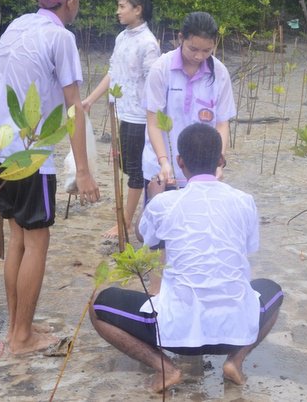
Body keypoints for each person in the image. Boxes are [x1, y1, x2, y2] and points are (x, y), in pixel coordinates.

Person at [90, 123, 283, 393]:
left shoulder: (166, 203)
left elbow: (145, 239)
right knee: (273, 291)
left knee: (99, 307)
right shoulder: (244, 200)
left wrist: (153, 198)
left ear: (180, 163)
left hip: (176, 333)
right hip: (236, 329)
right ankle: (235, 361)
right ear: (220, 160)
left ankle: (166, 367)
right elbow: (249, 247)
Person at [0, 0, 100, 354]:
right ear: (70, 0)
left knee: (19, 236)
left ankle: (20, 326)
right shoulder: (59, 37)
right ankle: (21, 337)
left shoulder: (18, 25)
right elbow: (73, 108)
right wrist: (83, 171)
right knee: (36, 241)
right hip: (28, 153)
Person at [82, 0, 161, 239]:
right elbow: (113, 73)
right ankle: (132, 217)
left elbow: (154, 84)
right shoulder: (122, 37)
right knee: (127, 168)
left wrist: (154, 119)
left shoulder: (148, 43)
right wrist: (90, 100)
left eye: (122, 6)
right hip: (122, 113)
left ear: (138, 10)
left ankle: (126, 223)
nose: (117, 12)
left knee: (136, 171)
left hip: (139, 117)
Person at [142, 11, 235, 189]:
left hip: (201, 172)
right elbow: (153, 122)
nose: (199, 56)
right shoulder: (161, 69)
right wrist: (163, 162)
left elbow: (222, 124)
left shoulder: (220, 73)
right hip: (162, 168)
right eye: (193, 49)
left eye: (207, 50)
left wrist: (218, 162)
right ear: (180, 39)